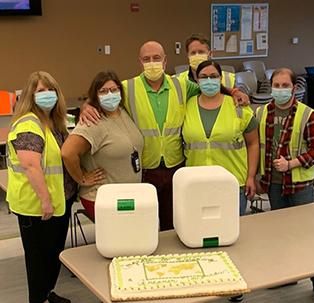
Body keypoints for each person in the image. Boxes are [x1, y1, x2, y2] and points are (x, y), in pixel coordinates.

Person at [80, 41, 250, 230]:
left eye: (156, 58)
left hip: (175, 167)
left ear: (165, 61)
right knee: (145, 223)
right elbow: (103, 94)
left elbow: (208, 86)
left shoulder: (181, 85)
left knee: (174, 222)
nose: (152, 62)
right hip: (145, 168)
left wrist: (233, 91)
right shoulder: (128, 88)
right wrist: (87, 105)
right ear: (140, 62)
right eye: (146, 59)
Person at [255, 67, 314, 300]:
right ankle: (287, 275)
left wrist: (293, 163)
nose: (280, 89)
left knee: (305, 235)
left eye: (285, 86)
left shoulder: (309, 115)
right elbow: (258, 147)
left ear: (294, 88)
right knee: (281, 233)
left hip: (299, 186)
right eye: (277, 85)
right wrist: (256, 178)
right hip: (273, 184)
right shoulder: (262, 113)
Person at [8, 71, 77, 303]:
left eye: (50, 90)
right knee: (38, 259)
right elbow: (30, 165)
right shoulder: (29, 124)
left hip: (59, 201)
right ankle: (38, 299)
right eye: (40, 91)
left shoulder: (54, 122)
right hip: (37, 206)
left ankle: (48, 294)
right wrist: (45, 200)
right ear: (30, 95)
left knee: (53, 254)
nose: (47, 95)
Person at [61, 71, 143, 220]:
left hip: (126, 195)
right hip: (103, 198)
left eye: (114, 90)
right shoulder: (93, 121)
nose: (110, 95)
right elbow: (67, 152)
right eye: (103, 91)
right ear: (95, 95)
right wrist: (82, 178)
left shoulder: (123, 112)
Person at [182, 60, 259, 216]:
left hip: (232, 182)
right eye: (203, 77)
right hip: (196, 183)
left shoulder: (237, 106)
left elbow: (253, 144)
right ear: (197, 80)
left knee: (232, 231)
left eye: (213, 76)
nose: (209, 80)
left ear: (221, 78)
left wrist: (251, 177)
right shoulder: (186, 106)